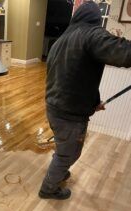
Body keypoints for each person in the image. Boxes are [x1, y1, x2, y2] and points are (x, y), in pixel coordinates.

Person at [39, 1, 131, 200]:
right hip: (69, 114)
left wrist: (93, 103)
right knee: (68, 153)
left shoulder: (61, 40)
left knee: (65, 148)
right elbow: (126, 54)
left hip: (54, 107)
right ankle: (49, 188)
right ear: (96, 19)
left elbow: (78, 76)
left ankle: (59, 172)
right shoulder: (92, 35)